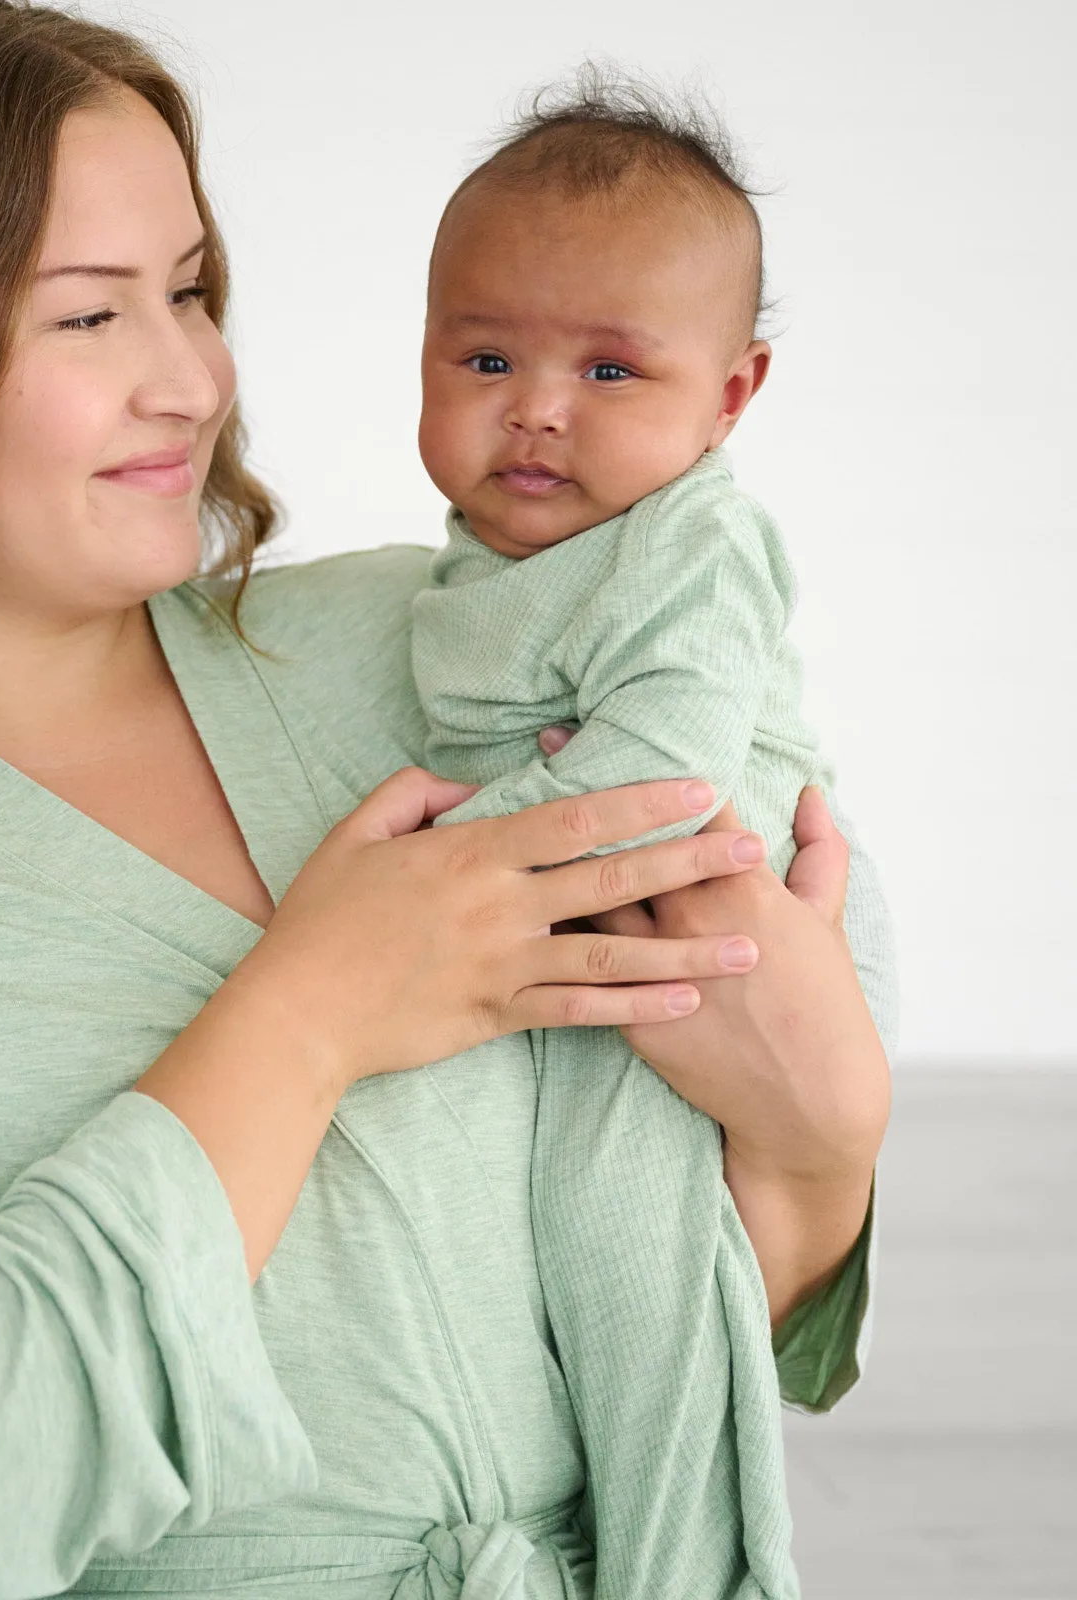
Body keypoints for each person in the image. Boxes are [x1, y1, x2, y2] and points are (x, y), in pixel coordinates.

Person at [0, 4, 890, 1598]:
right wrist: (309, 1013)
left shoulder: (452, 650)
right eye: (90, 319)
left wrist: (822, 1149)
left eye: (191, 291)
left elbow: (659, 1309)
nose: (194, 381)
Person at [408, 74, 898, 1597]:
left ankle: (684, 1562)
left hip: (724, 926)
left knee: (641, 1280)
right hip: (622, 921)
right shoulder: (497, 551)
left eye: (612, 370)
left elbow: (665, 777)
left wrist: (431, 871)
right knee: (582, 1264)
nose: (537, 406)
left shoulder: (694, 541)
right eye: (485, 354)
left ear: (731, 396)